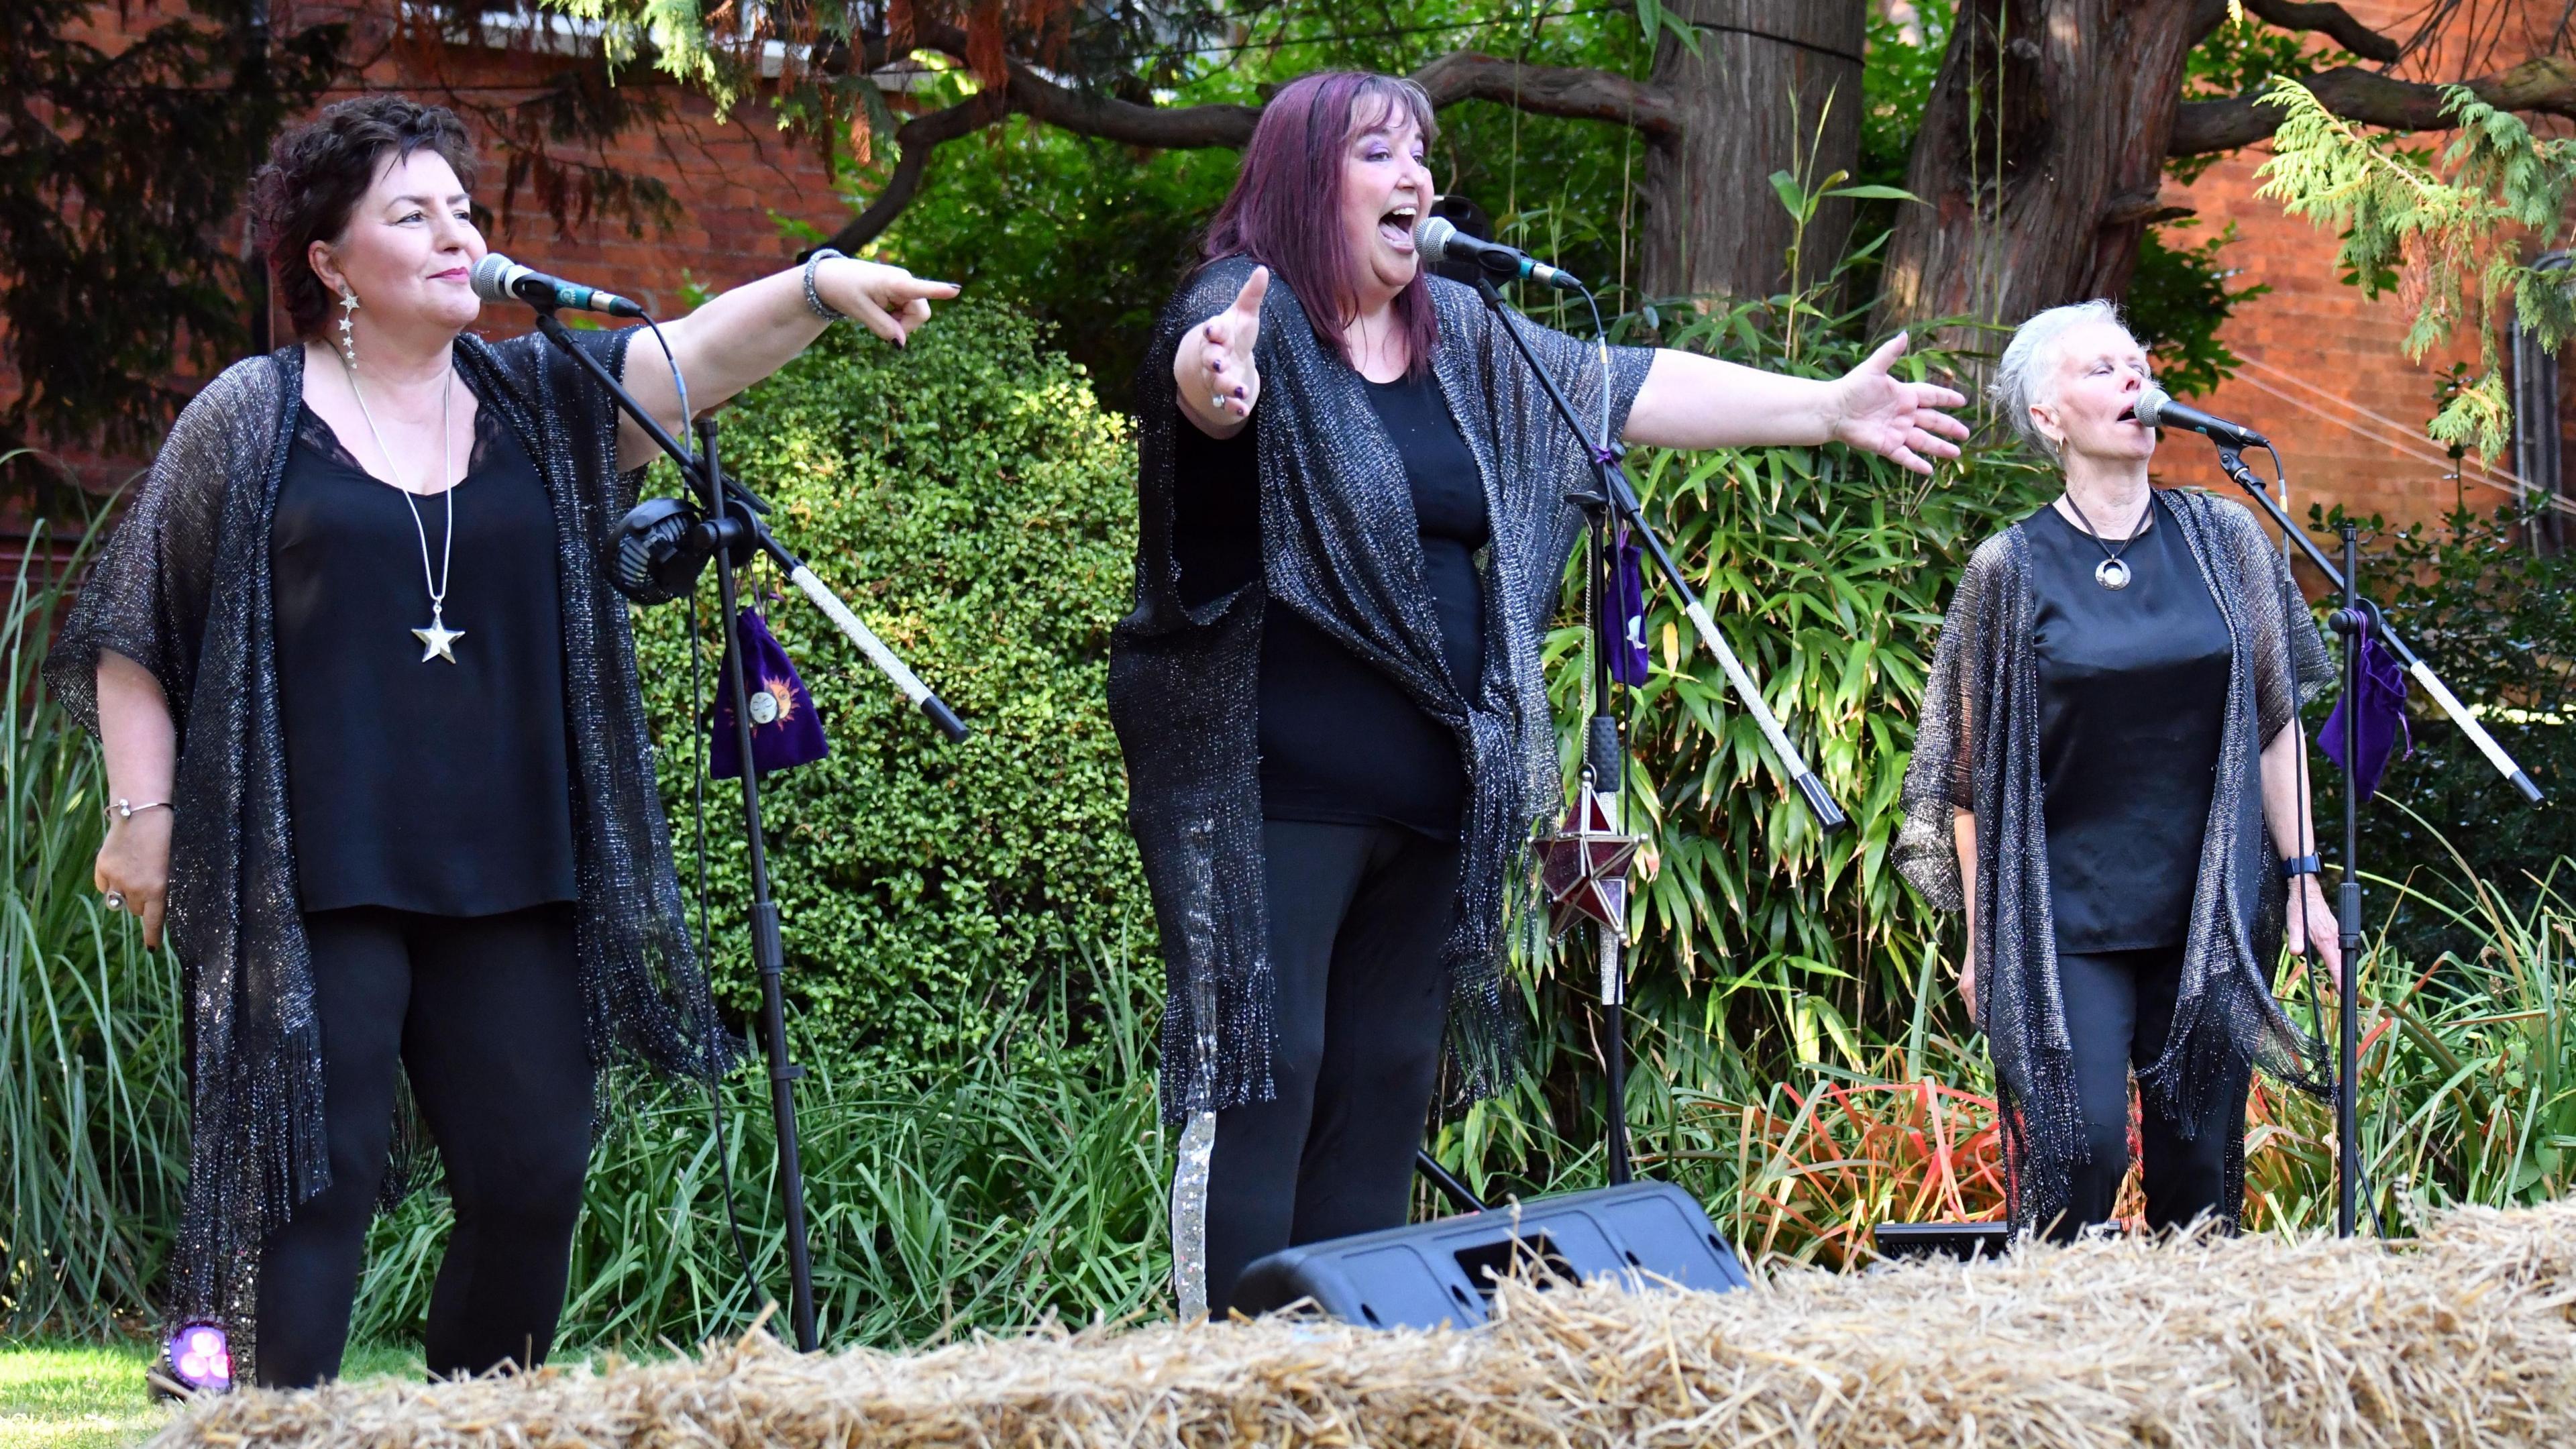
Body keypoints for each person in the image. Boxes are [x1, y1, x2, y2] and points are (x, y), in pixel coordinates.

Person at [46, 94, 955, 1387]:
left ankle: (478, 1419)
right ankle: (260, 1420)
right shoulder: (250, 417)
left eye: (463, 211)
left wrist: (814, 284)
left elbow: (697, 350)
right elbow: (138, 627)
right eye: (409, 214)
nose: (453, 232)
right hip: (315, 872)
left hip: (515, 863)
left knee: (533, 1176)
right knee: (317, 1179)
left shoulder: (544, 396)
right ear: (327, 260)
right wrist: (147, 819)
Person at [1108, 70, 1972, 1318]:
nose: (1415, 178)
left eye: (1423, 154)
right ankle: (1230, 1378)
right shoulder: (1253, 315)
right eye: (1377, 155)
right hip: (1277, 791)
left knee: (1386, 1076)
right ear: (1307, 178)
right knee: (1270, 1068)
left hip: (1440, 804)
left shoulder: (1465, 337)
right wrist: (1212, 388)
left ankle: (1346, 1375)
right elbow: (1203, 382)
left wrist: (1826, 411)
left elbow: (1629, 382)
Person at [1894, 301, 2340, 1240]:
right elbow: (1968, 785)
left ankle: (2195, 1378)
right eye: (2101, 369)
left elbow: (2274, 725)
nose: (2134, 380)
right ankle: (2061, 1372)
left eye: (2138, 363)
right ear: (2048, 418)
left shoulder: (2226, 542)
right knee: (2085, 1150)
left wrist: (2305, 882)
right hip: (2066, 921)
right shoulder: (2007, 570)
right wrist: (1981, 940)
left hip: (2209, 911)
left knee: (2198, 1175)